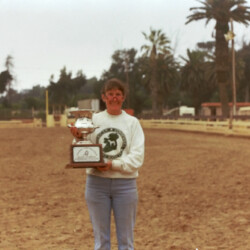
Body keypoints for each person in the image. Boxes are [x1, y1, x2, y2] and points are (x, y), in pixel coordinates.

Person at [71, 78, 145, 250]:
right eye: (110, 94)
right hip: (97, 184)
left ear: (123, 97)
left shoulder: (132, 123)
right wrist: (79, 137)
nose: (114, 98)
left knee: (126, 241)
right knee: (101, 241)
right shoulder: (93, 120)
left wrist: (113, 164)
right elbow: (81, 151)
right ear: (103, 97)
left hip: (125, 185)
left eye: (118, 94)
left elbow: (137, 158)